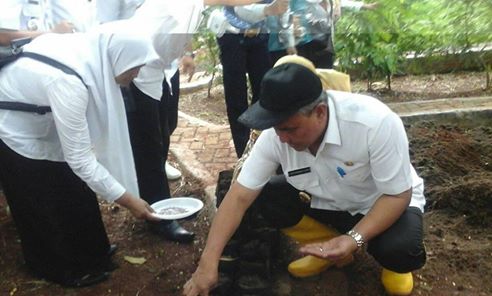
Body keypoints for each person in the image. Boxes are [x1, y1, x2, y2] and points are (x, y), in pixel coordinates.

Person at [183, 62, 426, 296]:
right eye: (277, 129)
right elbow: (238, 197)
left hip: (381, 204)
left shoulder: (374, 123)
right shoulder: (277, 135)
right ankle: (329, 249)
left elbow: (397, 194)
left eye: (290, 129)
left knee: (401, 250)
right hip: (329, 202)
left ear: (320, 112)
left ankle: (388, 264)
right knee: (266, 199)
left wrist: (353, 239)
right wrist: (208, 262)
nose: (282, 139)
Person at [0, 31, 159, 287]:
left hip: (41, 119)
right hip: (12, 129)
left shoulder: (87, 56)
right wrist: (130, 201)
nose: (136, 75)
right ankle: (56, 268)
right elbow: (82, 161)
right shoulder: (68, 82)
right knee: (40, 201)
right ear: (116, 59)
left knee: (76, 189)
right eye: (135, 67)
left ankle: (94, 254)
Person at [207, 0, 289, 157]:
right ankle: (243, 153)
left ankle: (262, 147)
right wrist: (268, 9)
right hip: (232, 35)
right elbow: (239, 7)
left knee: (264, 92)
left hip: (260, 35)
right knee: (236, 95)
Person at [267, 0, 379, 68]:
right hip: (300, 42)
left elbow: (340, 3)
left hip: (321, 41)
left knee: (322, 75)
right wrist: (289, 42)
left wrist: (364, 6)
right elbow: (283, 12)